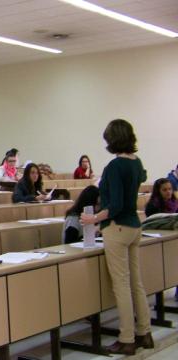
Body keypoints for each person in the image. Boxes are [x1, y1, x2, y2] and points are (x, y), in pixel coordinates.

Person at [80, 119, 153, 355]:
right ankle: (145, 332)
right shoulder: (136, 162)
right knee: (136, 283)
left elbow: (116, 204)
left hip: (118, 228)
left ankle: (127, 337)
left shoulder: (114, 167)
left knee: (121, 285)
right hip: (134, 226)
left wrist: (93, 219)